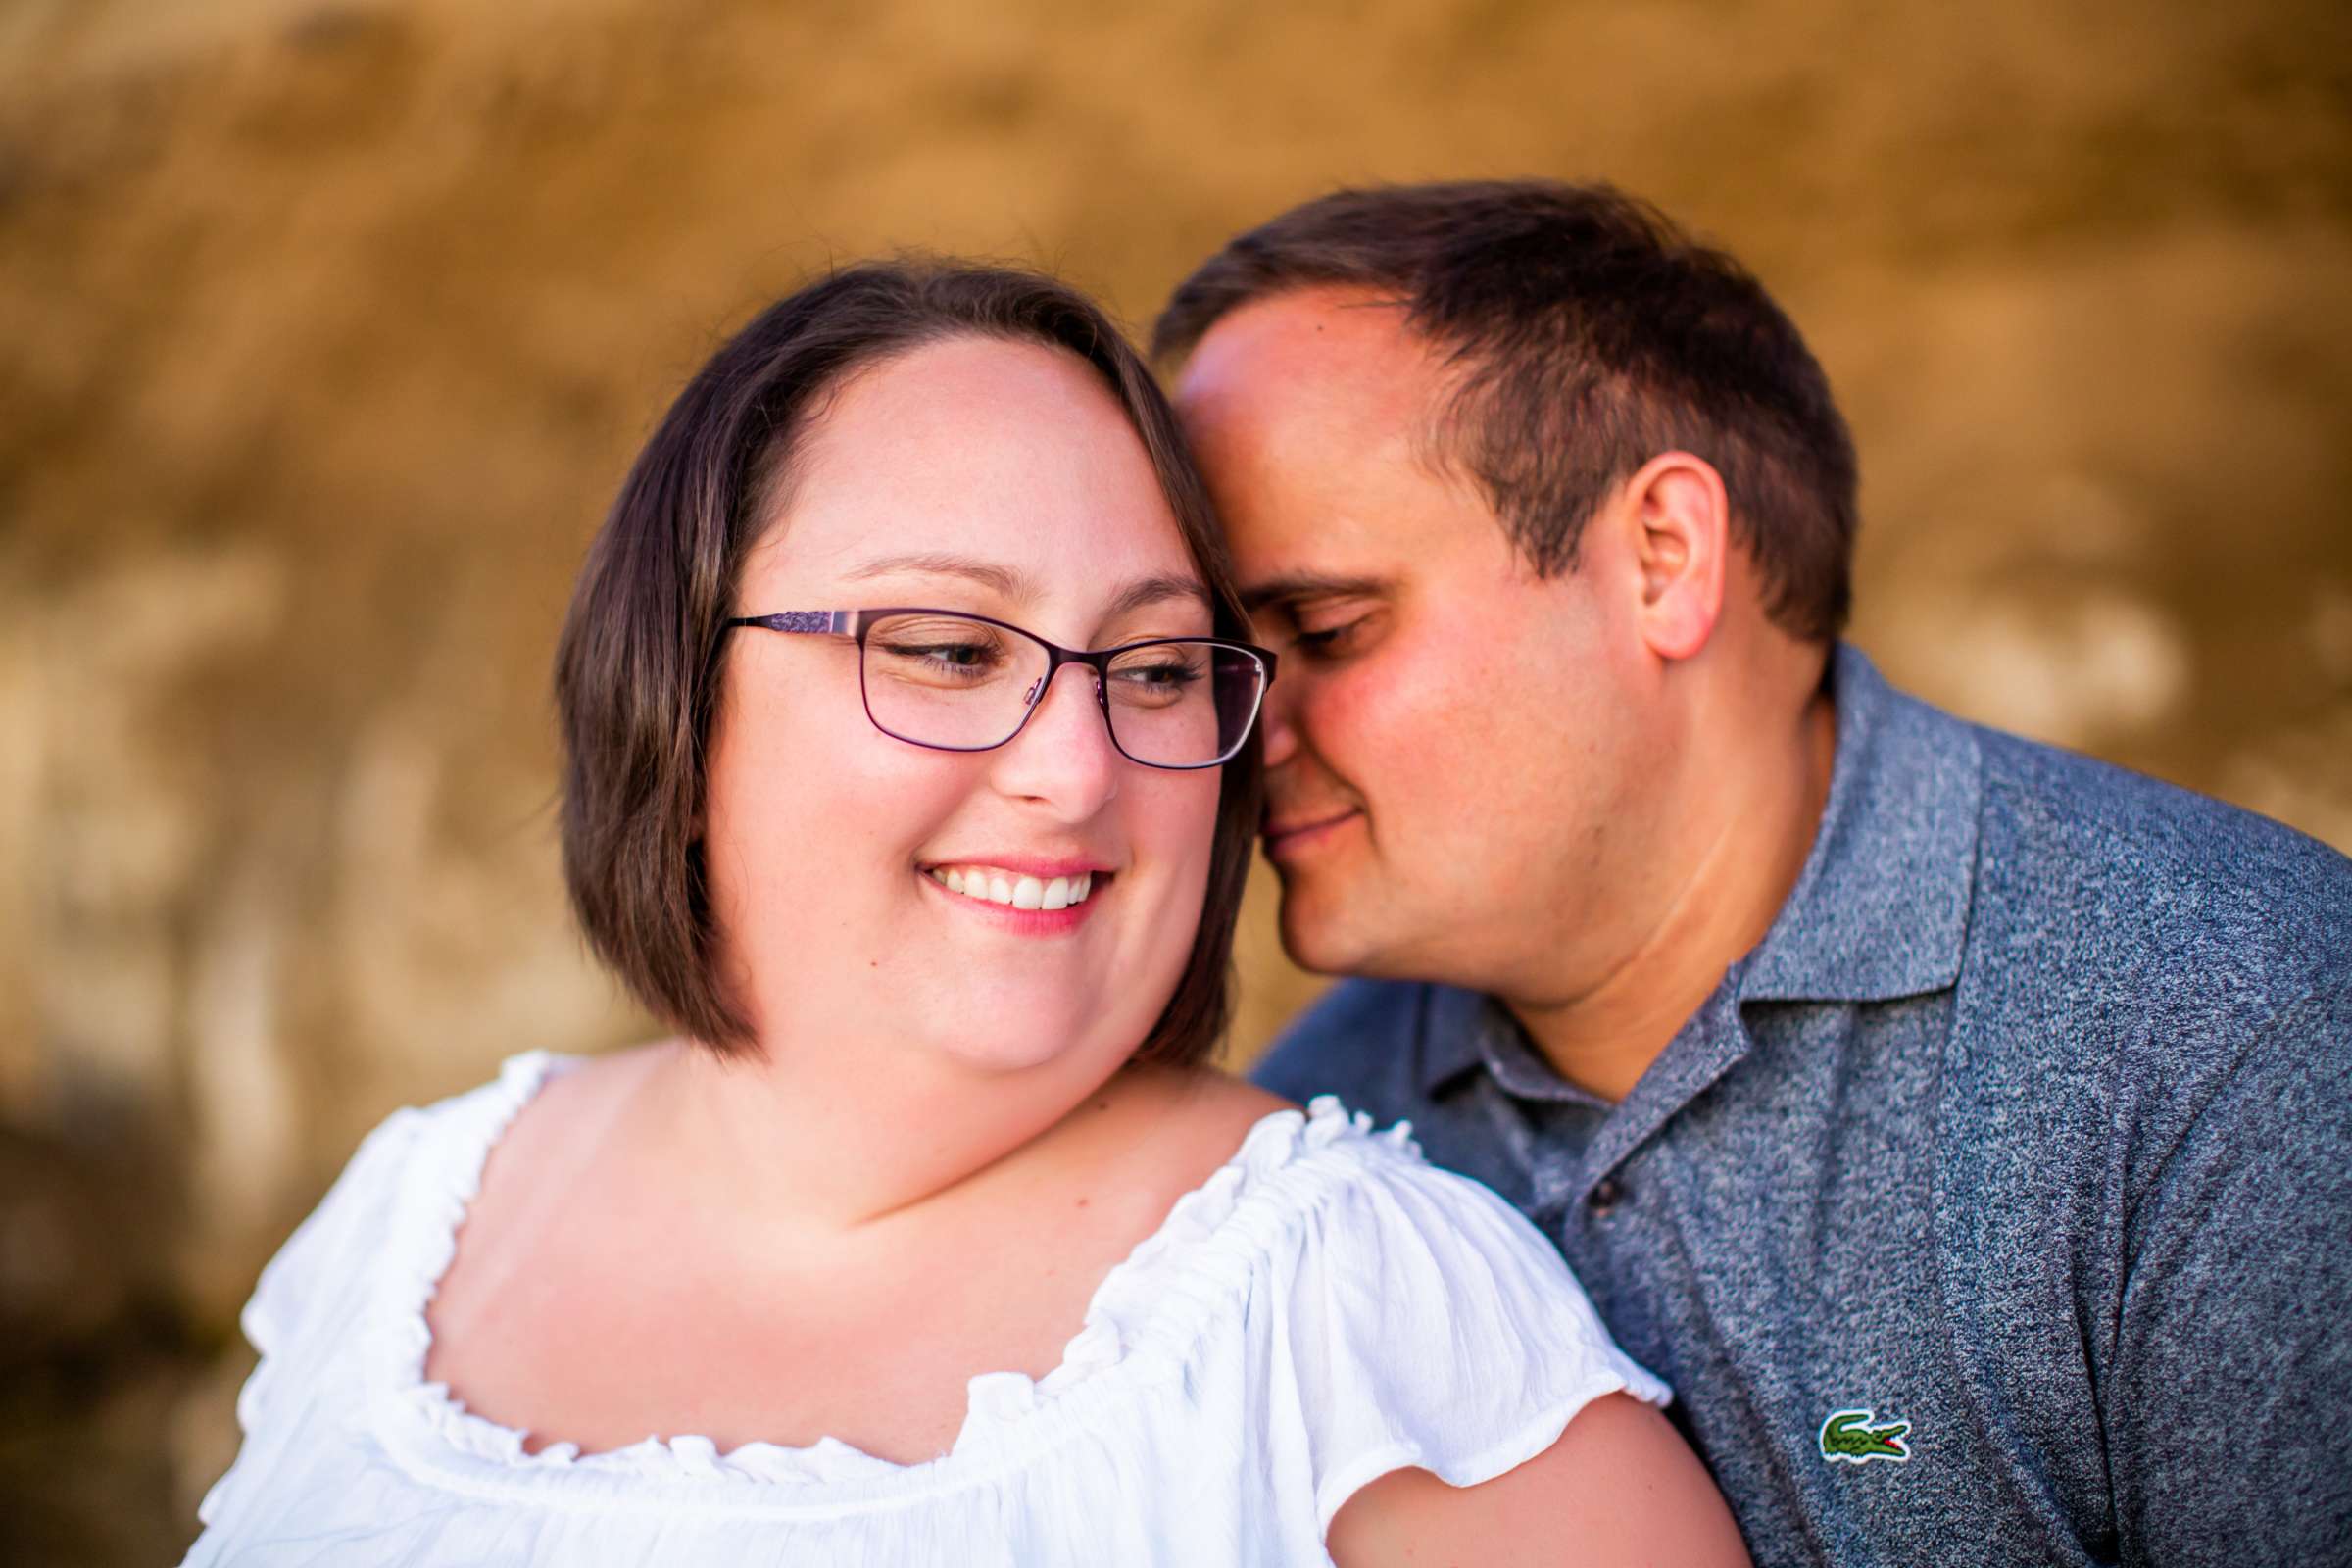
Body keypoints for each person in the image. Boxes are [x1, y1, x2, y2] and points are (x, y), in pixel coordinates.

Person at [181, 260, 1746, 1566]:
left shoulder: (1365, 1321)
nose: (1075, 773)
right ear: (679, 680)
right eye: (944, 651)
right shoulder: (413, 1216)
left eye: (1149, 668)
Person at [1155, 180, 2352, 1565]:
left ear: (1664, 559)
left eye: (1324, 626)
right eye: (1215, 668)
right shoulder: (1307, 1154)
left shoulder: (2236, 1040)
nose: (1241, 740)